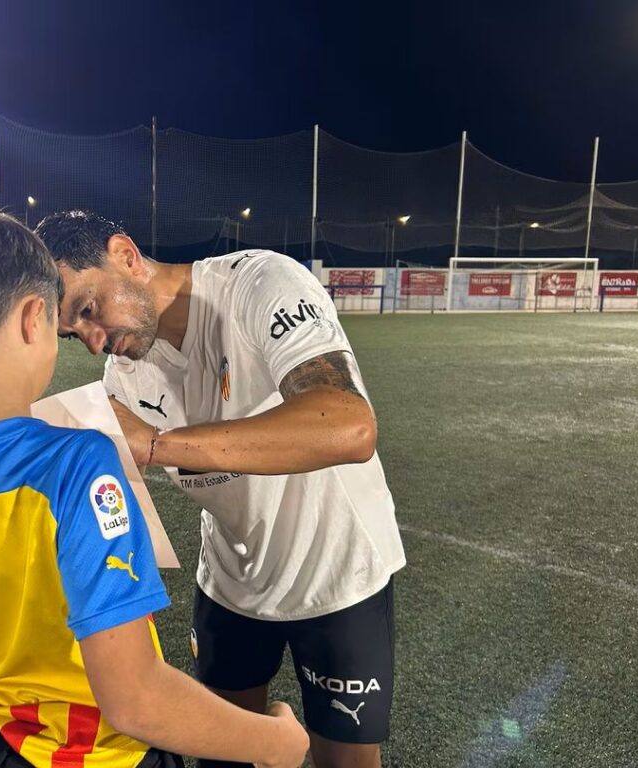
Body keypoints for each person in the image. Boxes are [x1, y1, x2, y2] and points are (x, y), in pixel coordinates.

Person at [0, 210, 309, 768]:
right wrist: (275, 742)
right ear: (33, 316)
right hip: (99, 756)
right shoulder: (79, 464)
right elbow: (135, 700)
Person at [34, 210, 406, 768]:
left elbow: (349, 426)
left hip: (338, 577)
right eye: (74, 333)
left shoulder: (260, 284)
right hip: (231, 583)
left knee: (345, 761)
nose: (93, 342)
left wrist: (157, 445)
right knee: (223, 755)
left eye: (89, 310)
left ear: (126, 255)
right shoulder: (124, 376)